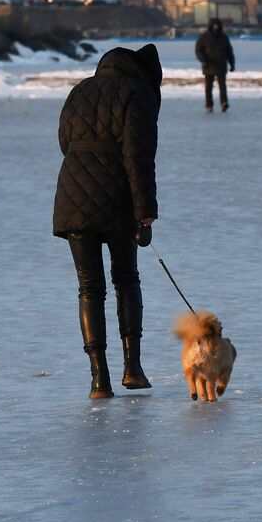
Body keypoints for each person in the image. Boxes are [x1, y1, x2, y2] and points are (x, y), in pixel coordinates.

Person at [53, 44, 162, 399]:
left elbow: (64, 141)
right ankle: (132, 369)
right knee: (126, 278)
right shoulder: (139, 94)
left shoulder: (80, 89)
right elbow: (139, 157)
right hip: (117, 194)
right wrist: (145, 212)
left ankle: (99, 380)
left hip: (72, 191)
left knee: (89, 287)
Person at [194, 18, 235, 113]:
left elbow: (229, 51)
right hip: (208, 65)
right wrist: (203, 60)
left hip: (221, 65)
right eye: (214, 25)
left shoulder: (224, 37)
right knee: (208, 87)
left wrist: (232, 64)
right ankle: (209, 105)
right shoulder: (204, 37)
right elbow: (198, 50)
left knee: (222, 86)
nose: (216, 27)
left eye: (217, 25)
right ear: (211, 26)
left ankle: (224, 103)